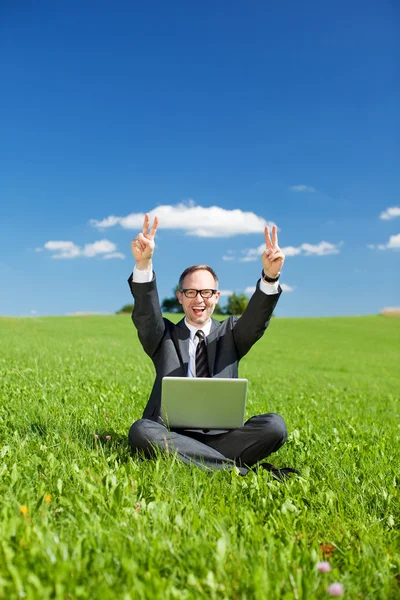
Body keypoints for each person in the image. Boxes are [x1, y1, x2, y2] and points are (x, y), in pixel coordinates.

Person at [127, 213, 298, 478]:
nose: (199, 299)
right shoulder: (163, 337)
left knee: (275, 426)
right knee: (141, 431)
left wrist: (270, 278)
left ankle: (201, 462)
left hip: (223, 438)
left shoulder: (232, 333)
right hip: (172, 434)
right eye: (191, 292)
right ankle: (241, 473)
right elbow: (146, 315)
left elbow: (256, 319)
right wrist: (144, 263)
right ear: (180, 298)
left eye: (206, 292)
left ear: (216, 297)